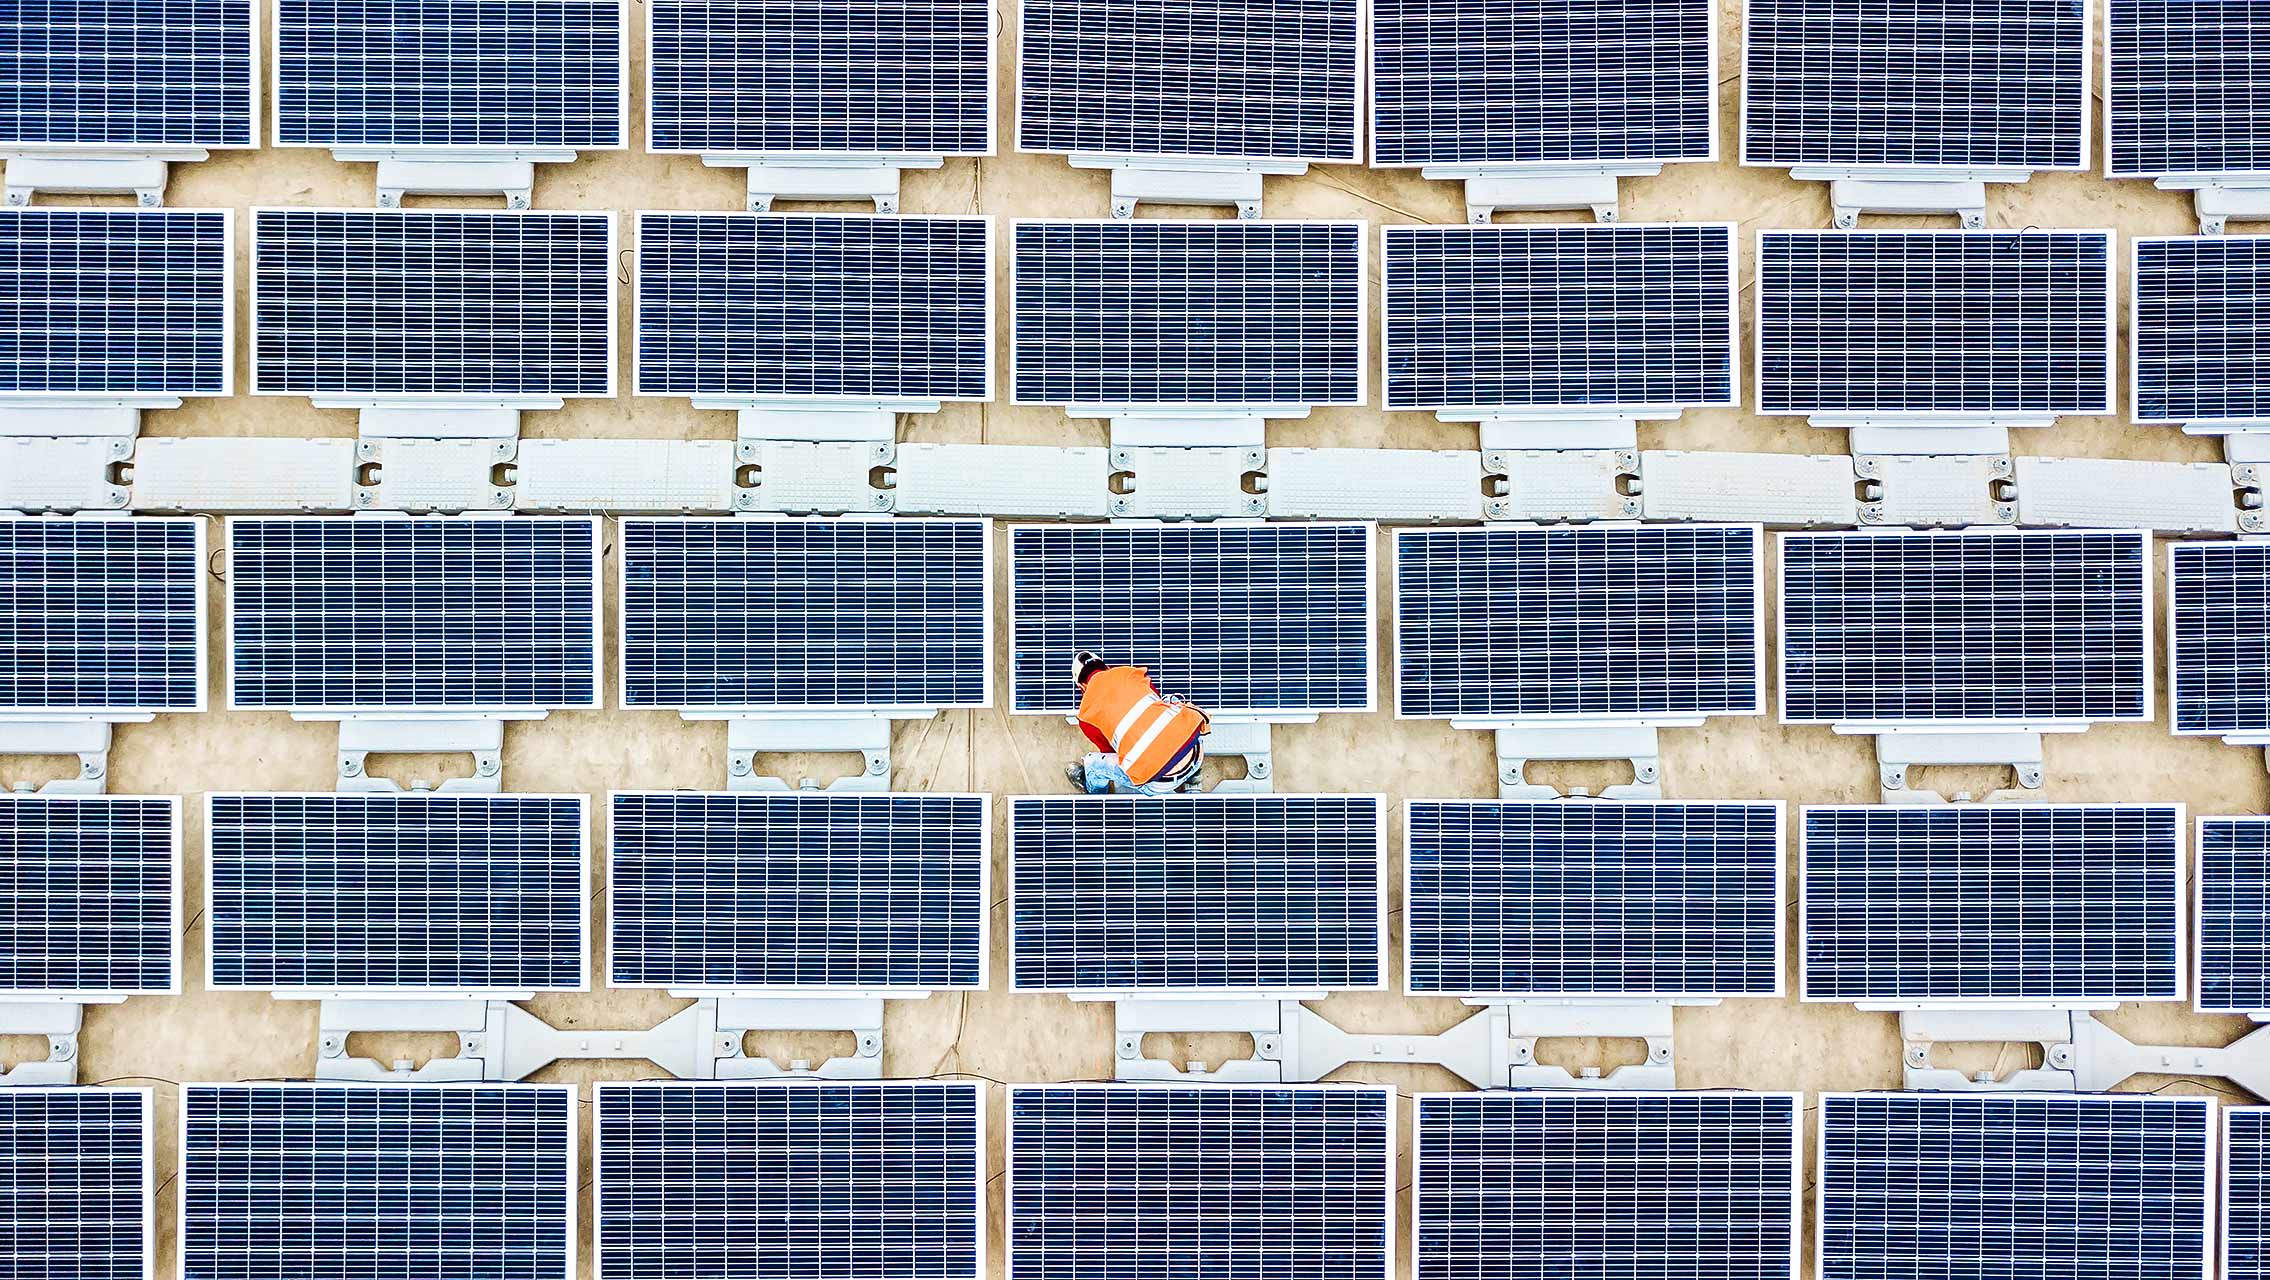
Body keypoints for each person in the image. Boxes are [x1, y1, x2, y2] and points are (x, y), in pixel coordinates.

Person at [1065, 651, 1207, 795]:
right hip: (1195, 751)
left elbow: (1111, 752)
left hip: (1158, 783)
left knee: (1093, 763)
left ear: (1081, 687)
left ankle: (1096, 794)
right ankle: (1193, 777)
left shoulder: (1086, 713)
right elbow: (1155, 699)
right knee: (1170, 700)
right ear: (1107, 667)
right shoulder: (1131, 672)